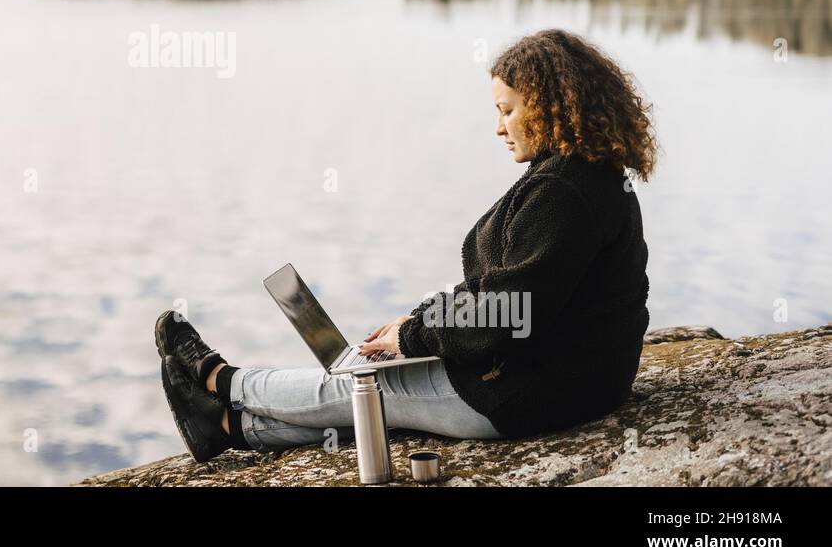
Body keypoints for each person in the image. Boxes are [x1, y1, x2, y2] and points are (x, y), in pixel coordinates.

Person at [158, 28, 658, 461]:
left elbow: (509, 312)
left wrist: (413, 339)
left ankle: (220, 380)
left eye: (507, 110)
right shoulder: (582, 175)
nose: (498, 126)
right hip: (576, 380)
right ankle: (227, 428)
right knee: (378, 393)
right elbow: (506, 291)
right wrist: (416, 324)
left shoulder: (565, 191)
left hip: (534, 393)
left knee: (369, 386)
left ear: (549, 106)